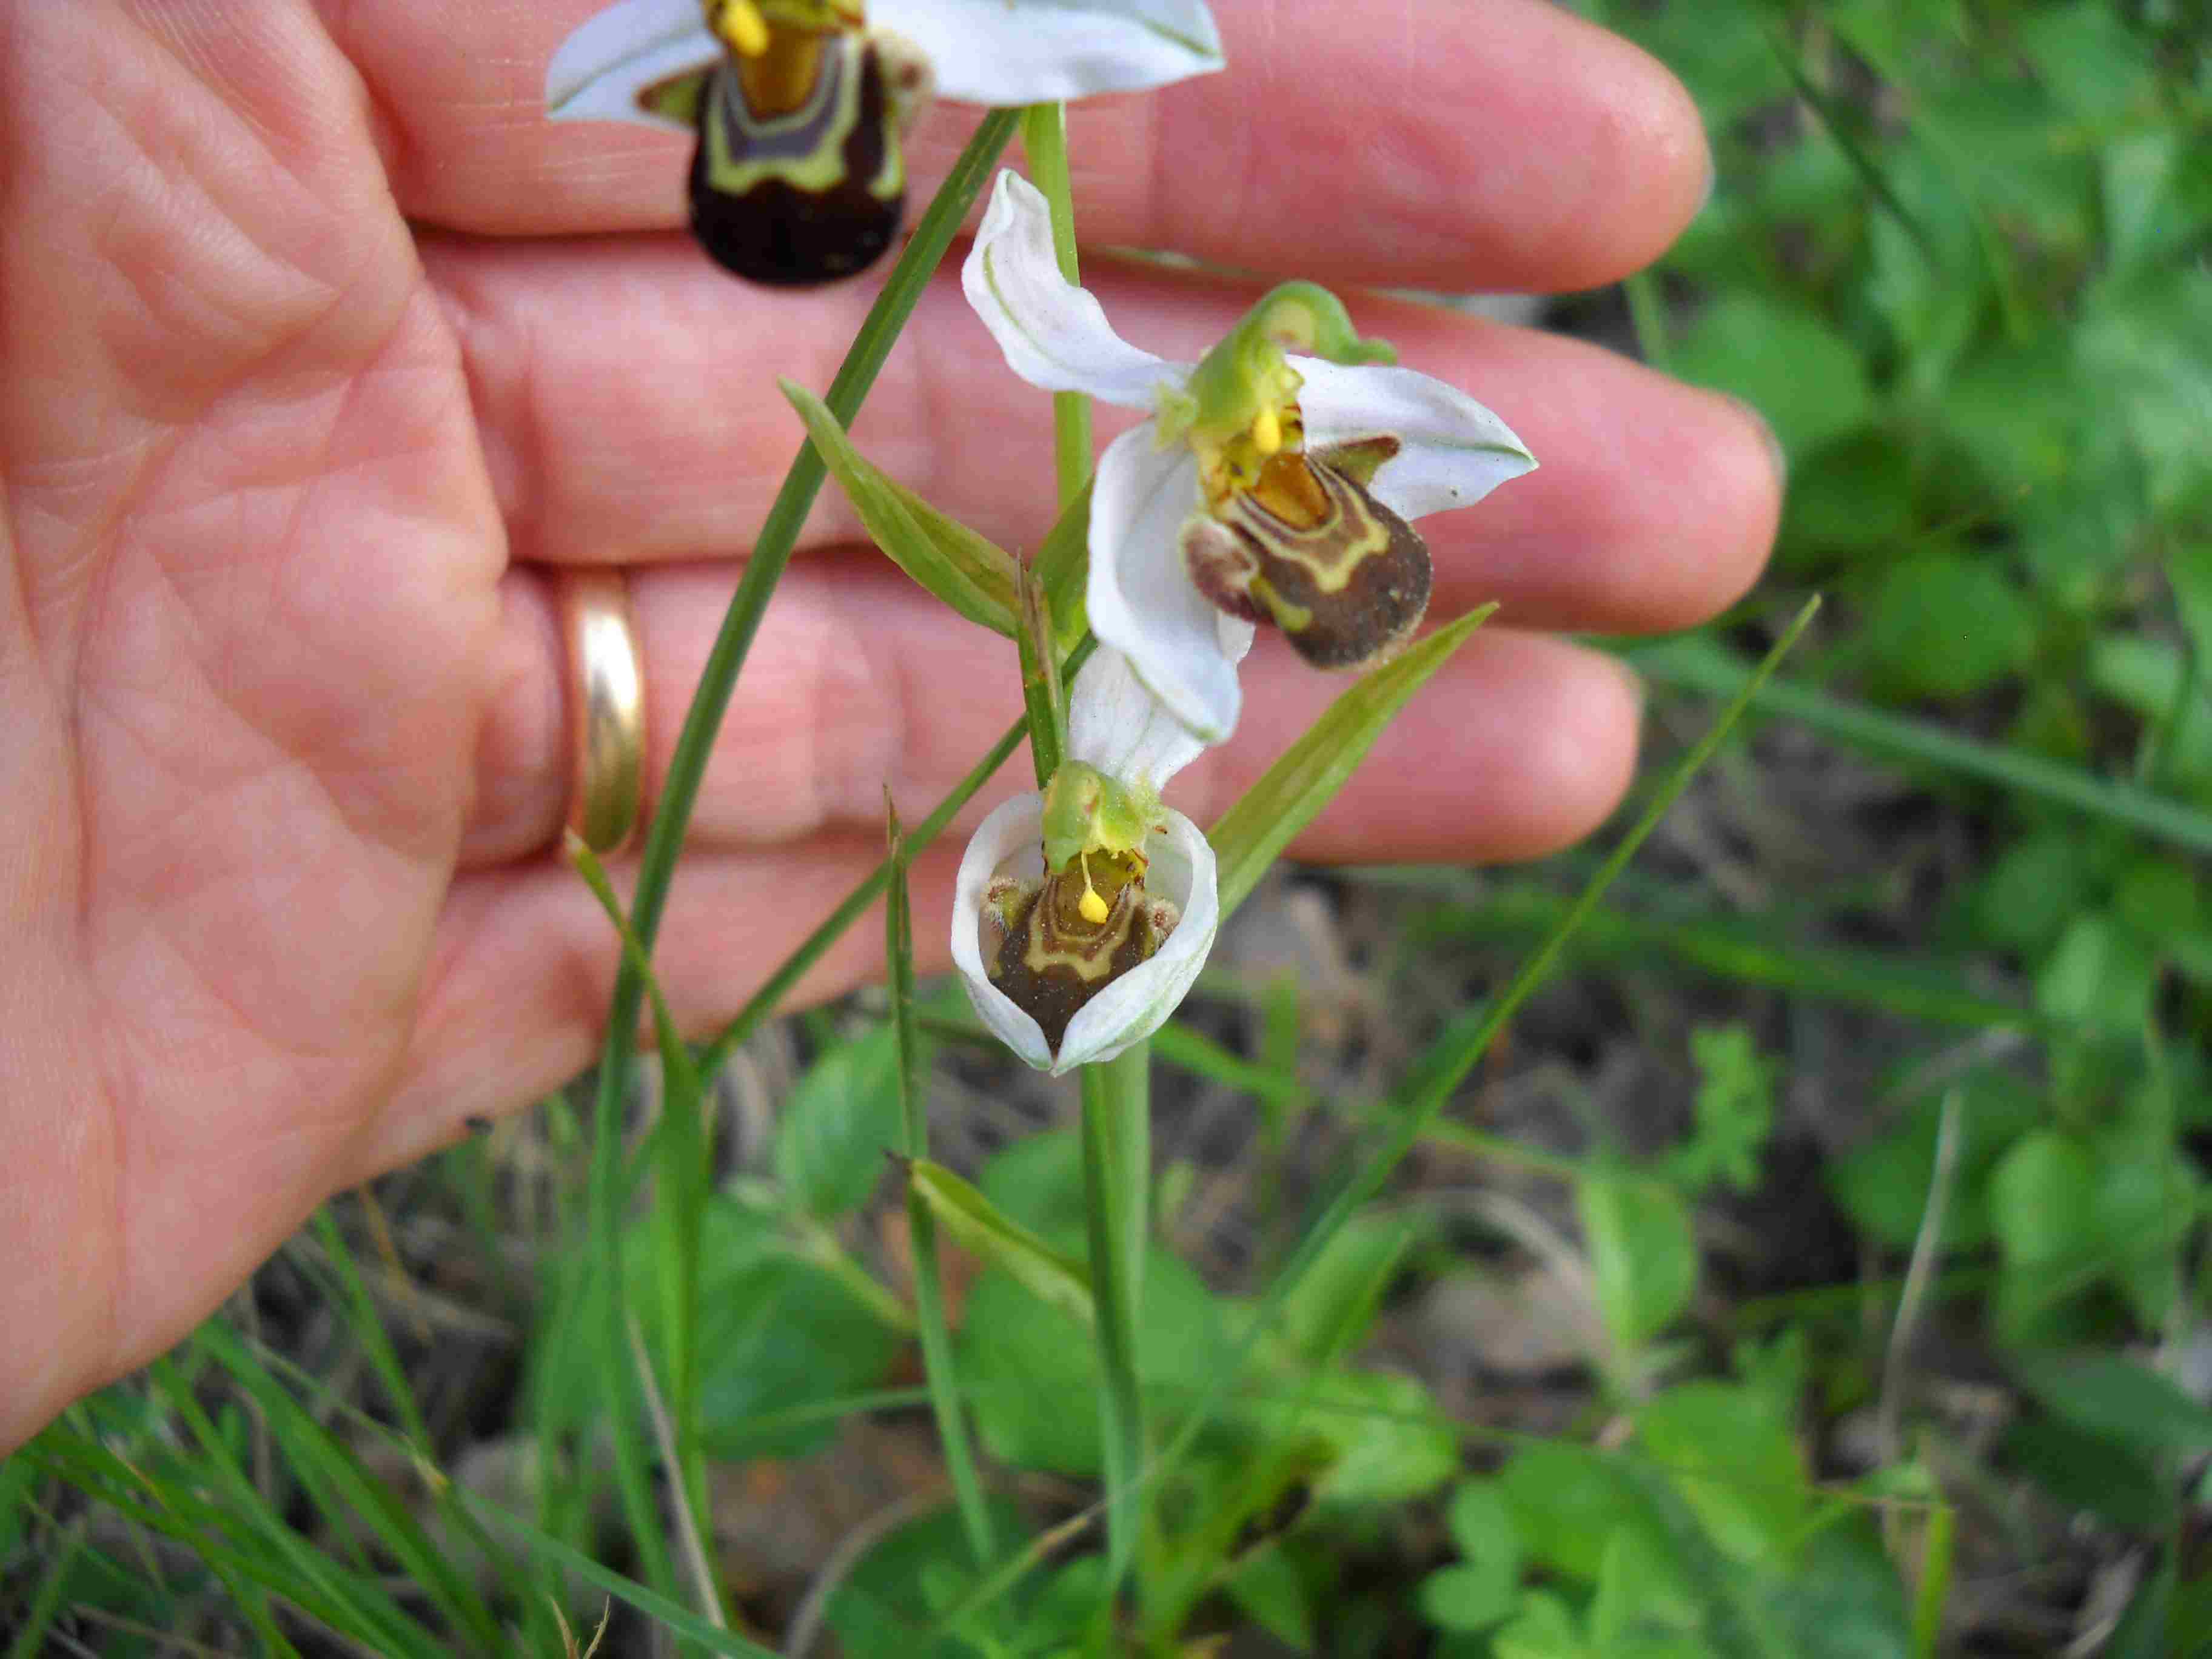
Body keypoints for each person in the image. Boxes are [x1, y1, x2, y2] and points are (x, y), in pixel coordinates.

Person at [0, 0, 1778, 1450]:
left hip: (1129, 576)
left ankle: (1144, 1402)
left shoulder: (1177, 452)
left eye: (1281, 459)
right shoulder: (1053, 294)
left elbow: (1203, 534)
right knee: (1118, 749)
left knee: (1150, 719)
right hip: (1107, 562)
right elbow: (982, 252)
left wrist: (1197, 584)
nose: (1269, 471)